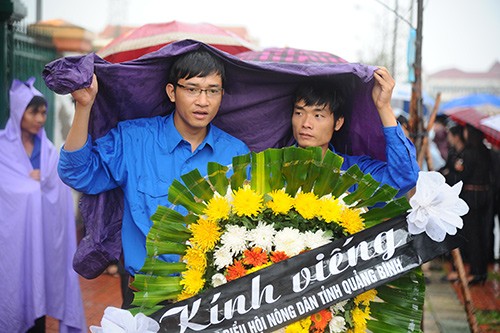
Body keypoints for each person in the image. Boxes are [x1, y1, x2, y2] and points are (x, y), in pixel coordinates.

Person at [58, 50, 250, 307]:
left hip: (211, 300)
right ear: (172, 92)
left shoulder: (235, 154)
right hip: (146, 296)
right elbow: (77, 173)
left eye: (212, 91)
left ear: (222, 95)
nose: (203, 101)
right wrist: (84, 106)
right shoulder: (134, 140)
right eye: (192, 89)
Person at [0, 78, 86, 332]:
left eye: (43, 113)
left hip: (41, 242)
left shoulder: (49, 151)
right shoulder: (2, 149)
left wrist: (44, 182)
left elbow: (57, 191)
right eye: (33, 112)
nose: (40, 119)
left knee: (37, 300)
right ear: (18, 112)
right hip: (11, 245)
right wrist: (26, 187)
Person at [291, 67, 419, 196]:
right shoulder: (274, 167)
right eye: (299, 113)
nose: (306, 124)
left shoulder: (353, 173)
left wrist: (383, 107)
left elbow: (404, 177)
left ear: (338, 123)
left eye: (318, 115)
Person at [458, 124, 493, 285]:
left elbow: (464, 174)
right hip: (485, 195)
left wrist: (458, 168)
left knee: (473, 235)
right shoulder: (486, 151)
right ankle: (482, 271)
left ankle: (476, 272)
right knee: (483, 233)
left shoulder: (469, 152)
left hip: (472, 196)